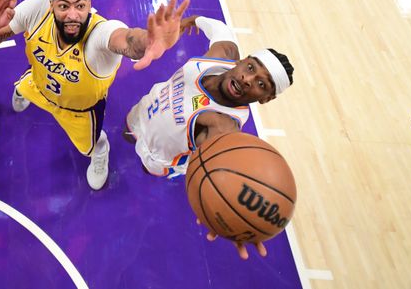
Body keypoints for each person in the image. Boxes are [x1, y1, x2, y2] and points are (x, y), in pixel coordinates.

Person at [0, 0, 190, 190]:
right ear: (51, 6)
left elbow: (127, 39)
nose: (73, 15)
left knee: (90, 146)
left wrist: (147, 40)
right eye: (63, 6)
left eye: (80, 6)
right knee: (25, 83)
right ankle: (23, 92)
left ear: (89, 6)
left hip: (78, 111)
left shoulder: (99, 35)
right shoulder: (35, 10)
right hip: (39, 85)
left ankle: (101, 153)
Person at [124, 15, 294, 259]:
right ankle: (130, 134)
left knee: (144, 167)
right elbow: (219, 28)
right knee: (127, 129)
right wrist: (192, 20)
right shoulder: (222, 53)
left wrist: (230, 216)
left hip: (159, 155)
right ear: (242, 60)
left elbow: (223, 177)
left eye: (261, 84)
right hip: (147, 106)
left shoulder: (222, 129)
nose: (247, 79)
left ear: (266, 98)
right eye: (250, 68)